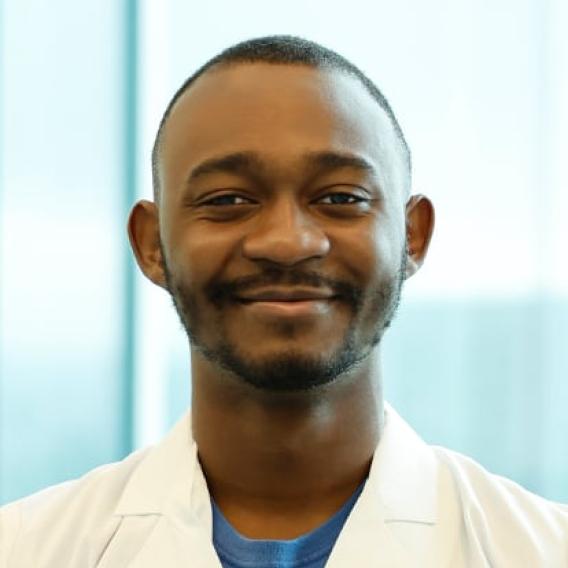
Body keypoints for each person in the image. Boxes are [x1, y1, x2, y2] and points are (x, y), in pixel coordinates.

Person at [1, 35, 566, 568]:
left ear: (412, 235)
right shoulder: (25, 548)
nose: (288, 242)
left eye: (341, 197)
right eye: (228, 200)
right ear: (152, 245)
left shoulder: (541, 548)